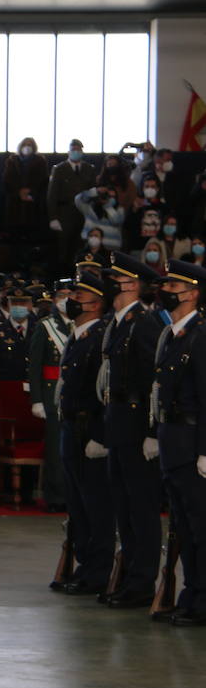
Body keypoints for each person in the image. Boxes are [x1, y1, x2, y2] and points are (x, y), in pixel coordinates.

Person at [97, 253, 164, 608]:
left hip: (137, 425)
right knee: (123, 507)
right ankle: (130, 576)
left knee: (141, 507)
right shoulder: (119, 323)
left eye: (116, 279)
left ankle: (142, 581)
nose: (110, 284)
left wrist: (153, 430)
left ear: (133, 284)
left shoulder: (144, 323)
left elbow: (156, 381)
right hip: (118, 420)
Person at [146, 259, 206, 625]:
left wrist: (205, 449)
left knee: (201, 528)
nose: (166, 292)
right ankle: (191, 594)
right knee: (184, 527)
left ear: (193, 293)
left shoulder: (200, 336)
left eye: (174, 287)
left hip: (191, 443)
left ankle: (202, 601)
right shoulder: (175, 334)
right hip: (173, 441)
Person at [52, 272, 114, 597]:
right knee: (77, 504)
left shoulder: (101, 337)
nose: (72, 300)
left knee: (96, 505)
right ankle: (84, 565)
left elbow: (106, 391)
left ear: (96, 303)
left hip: (89, 428)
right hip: (70, 426)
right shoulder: (78, 335)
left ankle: (97, 572)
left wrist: (101, 435)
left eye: (79, 295)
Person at [28, 279, 73, 511]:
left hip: (74, 394)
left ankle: (73, 495)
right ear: (54, 300)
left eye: (70, 294)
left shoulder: (81, 324)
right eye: (61, 295)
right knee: (55, 449)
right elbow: (34, 366)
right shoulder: (45, 326)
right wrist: (36, 399)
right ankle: (55, 497)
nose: (66, 299)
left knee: (74, 448)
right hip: (50, 393)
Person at [47, 139, 98, 274]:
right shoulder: (59, 169)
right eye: (73, 149)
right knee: (63, 248)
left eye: (78, 149)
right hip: (64, 213)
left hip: (83, 214)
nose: (76, 151)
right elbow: (52, 195)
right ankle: (62, 276)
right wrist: (53, 218)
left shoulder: (89, 169)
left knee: (80, 247)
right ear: (69, 151)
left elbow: (93, 192)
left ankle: (78, 275)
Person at [3, 137, 49, 247]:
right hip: (15, 204)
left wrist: (31, 191)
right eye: (25, 145)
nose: (27, 147)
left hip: (34, 204)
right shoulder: (12, 161)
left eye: (30, 145)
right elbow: (7, 180)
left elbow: (43, 180)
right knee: (15, 238)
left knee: (32, 237)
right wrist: (19, 191)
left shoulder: (40, 161)